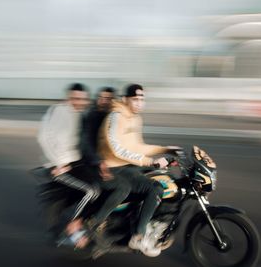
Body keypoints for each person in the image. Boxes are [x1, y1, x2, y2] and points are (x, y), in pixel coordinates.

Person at [98, 84, 173, 257]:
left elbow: (138, 147)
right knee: (155, 188)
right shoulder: (116, 116)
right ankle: (138, 236)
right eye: (135, 99)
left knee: (163, 177)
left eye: (142, 99)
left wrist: (165, 149)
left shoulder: (135, 118)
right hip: (114, 167)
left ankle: (147, 219)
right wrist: (150, 162)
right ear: (126, 99)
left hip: (127, 165)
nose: (139, 103)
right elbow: (116, 149)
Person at [37, 83, 97, 248]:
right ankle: (73, 227)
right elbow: (43, 138)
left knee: (100, 185)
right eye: (75, 98)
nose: (78, 102)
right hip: (59, 165)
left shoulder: (80, 113)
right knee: (90, 191)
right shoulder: (59, 111)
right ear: (68, 97)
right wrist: (58, 163)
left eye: (82, 99)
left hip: (75, 161)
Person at [80, 87, 132, 234]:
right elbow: (86, 144)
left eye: (108, 99)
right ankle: (96, 221)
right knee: (122, 188)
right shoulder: (93, 116)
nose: (104, 101)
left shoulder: (112, 117)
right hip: (92, 163)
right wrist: (99, 162)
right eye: (101, 97)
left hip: (109, 162)